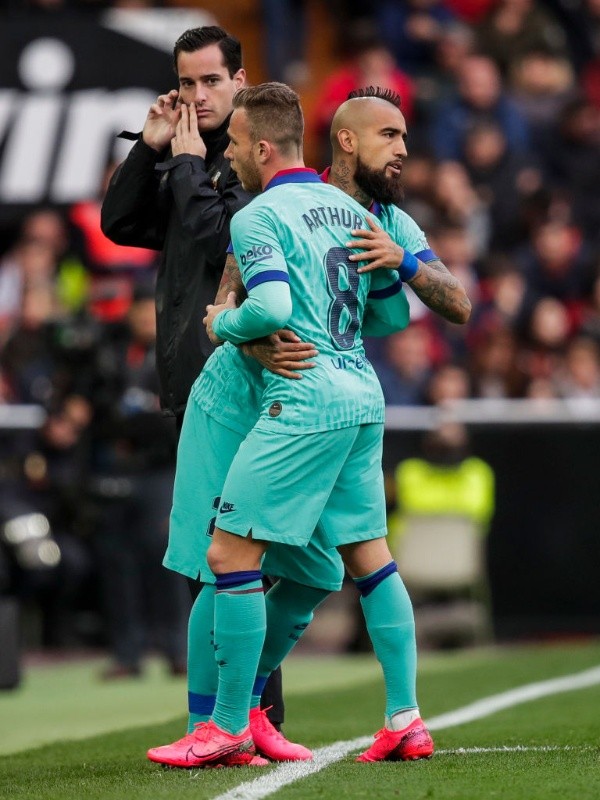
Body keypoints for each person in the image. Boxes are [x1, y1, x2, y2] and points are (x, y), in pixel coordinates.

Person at [146, 85, 470, 769]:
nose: (404, 150)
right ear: (345, 140)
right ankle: (236, 717)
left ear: (261, 147)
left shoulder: (372, 223)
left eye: (405, 136)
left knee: (265, 562)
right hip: (248, 401)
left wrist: (231, 324)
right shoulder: (333, 210)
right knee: (335, 559)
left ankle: (234, 719)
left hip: (300, 400)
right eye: (391, 136)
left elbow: (262, 303)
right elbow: (238, 291)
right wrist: (245, 334)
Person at [100, 26, 286, 733]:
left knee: (242, 563)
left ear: (240, 80)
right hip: (189, 388)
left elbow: (225, 241)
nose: (197, 95)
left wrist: (180, 165)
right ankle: (227, 721)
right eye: (187, 82)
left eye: (210, 80)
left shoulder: (252, 164)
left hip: (245, 388)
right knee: (215, 564)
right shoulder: (188, 160)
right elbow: (119, 222)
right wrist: (152, 149)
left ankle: (254, 717)